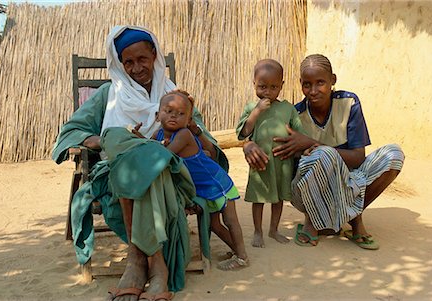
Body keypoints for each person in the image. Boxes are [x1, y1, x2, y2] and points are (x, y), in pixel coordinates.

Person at [52, 26, 228, 301]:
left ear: (154, 55)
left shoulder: (173, 96)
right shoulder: (110, 94)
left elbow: (205, 140)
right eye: (128, 62)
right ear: (120, 63)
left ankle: (137, 260)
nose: (136, 68)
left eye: (142, 59)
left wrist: (190, 125)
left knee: (151, 160)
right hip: (121, 169)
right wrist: (105, 140)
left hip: (167, 173)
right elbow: (71, 132)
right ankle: (157, 267)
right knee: (125, 144)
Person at [243, 54, 404, 249]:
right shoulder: (294, 114)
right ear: (300, 84)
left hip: (351, 178)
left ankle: (352, 217)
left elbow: (358, 158)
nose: (313, 90)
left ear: (333, 80)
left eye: (320, 82)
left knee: (393, 155)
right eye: (307, 84)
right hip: (308, 193)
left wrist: (310, 142)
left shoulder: (349, 103)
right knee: (322, 155)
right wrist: (247, 145)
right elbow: (267, 139)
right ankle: (315, 219)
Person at [149, 91, 249, 270]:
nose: (174, 116)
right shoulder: (158, 135)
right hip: (204, 188)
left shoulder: (184, 135)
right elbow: (150, 146)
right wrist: (139, 138)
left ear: (188, 120)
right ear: (157, 116)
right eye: (169, 110)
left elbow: (165, 155)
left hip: (217, 183)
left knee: (230, 221)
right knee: (215, 225)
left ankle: (242, 257)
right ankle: (236, 250)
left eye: (181, 114)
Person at [236, 59, 304, 248]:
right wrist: (257, 111)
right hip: (261, 161)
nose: (268, 91)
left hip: (282, 161)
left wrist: (298, 142)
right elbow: (244, 132)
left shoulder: (288, 108)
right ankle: (258, 231)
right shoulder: (251, 108)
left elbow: (299, 133)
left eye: (274, 87)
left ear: (281, 86)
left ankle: (273, 230)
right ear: (254, 84)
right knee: (259, 199)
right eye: (262, 86)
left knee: (279, 197)